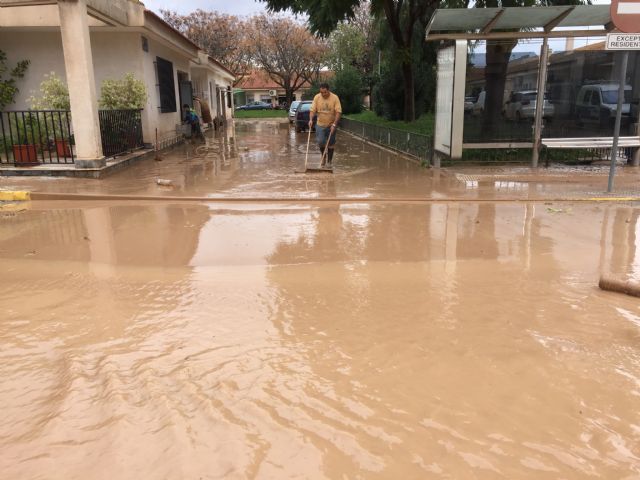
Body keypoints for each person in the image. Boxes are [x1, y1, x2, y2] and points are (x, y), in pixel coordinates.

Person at [309, 82, 342, 168]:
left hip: (331, 124)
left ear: (328, 90)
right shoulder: (317, 97)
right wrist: (311, 119)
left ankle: (329, 162)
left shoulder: (335, 98)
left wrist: (334, 124)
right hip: (320, 124)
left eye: (325, 92)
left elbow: (338, 112)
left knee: (331, 143)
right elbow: (312, 110)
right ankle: (323, 157)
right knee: (321, 142)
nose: (323, 94)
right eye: (321, 92)